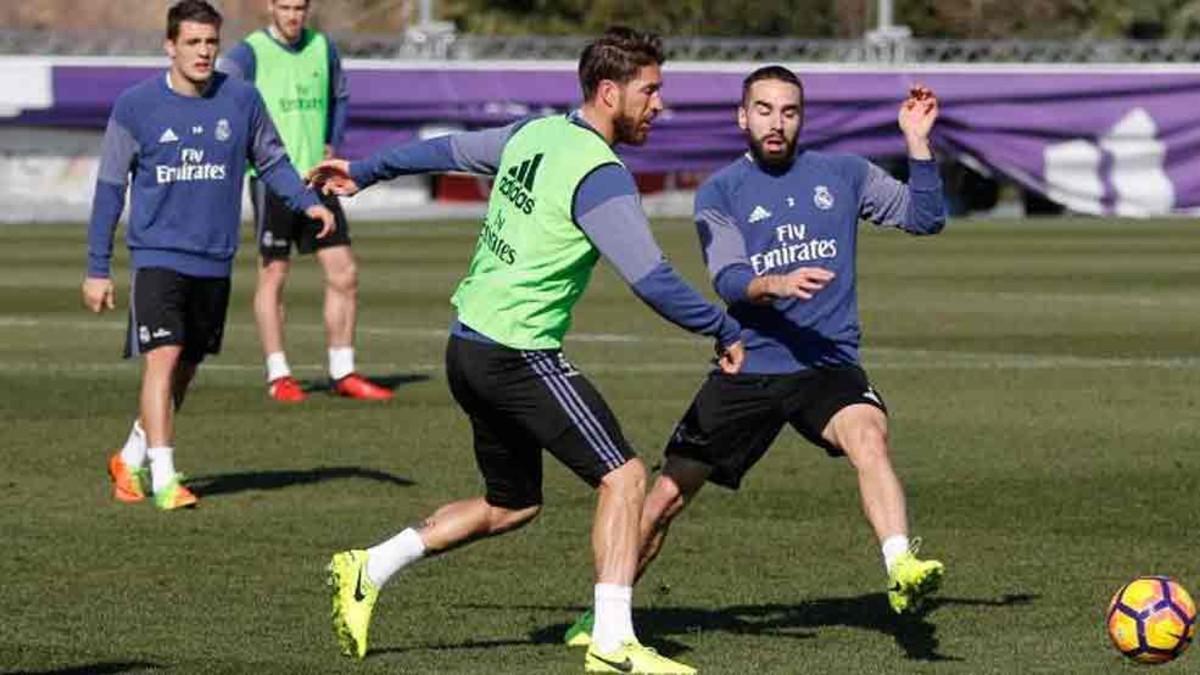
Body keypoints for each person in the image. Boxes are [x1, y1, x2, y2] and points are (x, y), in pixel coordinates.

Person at [311, 27, 744, 674]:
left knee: (511, 504)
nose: (659, 105)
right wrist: (723, 326)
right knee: (625, 478)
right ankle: (613, 641)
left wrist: (366, 171)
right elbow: (651, 278)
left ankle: (368, 566)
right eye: (649, 91)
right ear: (608, 91)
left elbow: (446, 149)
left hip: (467, 346)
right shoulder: (600, 174)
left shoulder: (535, 134)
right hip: (516, 352)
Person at [563, 65, 948, 647]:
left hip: (825, 364)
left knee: (869, 436)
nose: (776, 123)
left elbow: (926, 217)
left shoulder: (845, 174)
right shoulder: (720, 191)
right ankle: (604, 614)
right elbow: (729, 277)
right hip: (751, 364)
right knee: (667, 495)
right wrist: (775, 284)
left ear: (801, 119)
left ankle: (900, 565)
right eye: (764, 110)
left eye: (789, 112)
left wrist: (917, 144)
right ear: (743, 117)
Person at [85, 0, 334, 511]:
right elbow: (110, 189)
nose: (203, 52)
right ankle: (165, 478)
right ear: (169, 46)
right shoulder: (135, 106)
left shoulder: (242, 100)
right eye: (193, 43)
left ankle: (131, 456)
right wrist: (97, 268)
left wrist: (308, 203)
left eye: (210, 43)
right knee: (164, 359)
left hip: (214, 260)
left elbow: (273, 161)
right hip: (157, 256)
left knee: (184, 371)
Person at [221, 0, 391, 402]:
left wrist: (334, 138)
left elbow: (341, 96)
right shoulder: (249, 52)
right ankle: (279, 374)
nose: (293, 14)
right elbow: (222, 96)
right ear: (269, 7)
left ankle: (342, 370)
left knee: (344, 272)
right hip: (273, 181)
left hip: (317, 180)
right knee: (274, 275)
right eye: (285, 6)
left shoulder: (323, 47)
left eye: (300, 6)